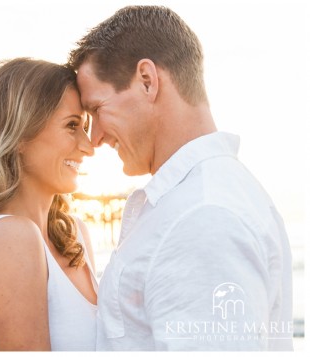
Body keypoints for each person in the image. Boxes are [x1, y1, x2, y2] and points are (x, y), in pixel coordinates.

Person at [68, 5, 293, 351]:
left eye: (97, 109)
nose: (95, 137)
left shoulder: (203, 216)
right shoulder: (203, 197)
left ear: (147, 80)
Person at [0, 58, 97, 351]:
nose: (88, 145)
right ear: (20, 134)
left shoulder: (75, 234)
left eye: (85, 126)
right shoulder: (8, 237)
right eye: (72, 125)